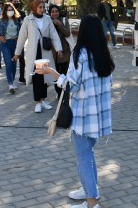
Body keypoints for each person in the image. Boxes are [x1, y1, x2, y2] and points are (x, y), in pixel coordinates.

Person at [35, 15, 114, 208]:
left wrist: (51, 73)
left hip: (84, 117)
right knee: (89, 153)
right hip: (100, 117)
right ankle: (90, 191)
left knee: (83, 158)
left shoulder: (80, 54)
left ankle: (91, 202)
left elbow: (71, 84)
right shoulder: (104, 53)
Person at [13, 0, 63, 113]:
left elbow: (54, 35)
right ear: (34, 8)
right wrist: (17, 53)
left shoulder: (48, 19)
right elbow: (22, 37)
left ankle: (43, 100)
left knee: (45, 77)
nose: (42, 9)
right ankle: (38, 102)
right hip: (33, 53)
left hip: (45, 51)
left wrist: (59, 49)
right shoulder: (28, 20)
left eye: (43, 7)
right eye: (39, 7)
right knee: (36, 78)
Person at [0, 2, 22, 94]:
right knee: (8, 63)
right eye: (8, 10)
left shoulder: (17, 20)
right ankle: (10, 83)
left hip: (15, 43)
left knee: (14, 64)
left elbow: (22, 31)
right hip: (5, 43)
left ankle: (13, 81)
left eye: (11, 9)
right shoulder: (1, 21)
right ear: (5, 11)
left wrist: (20, 38)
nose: (10, 11)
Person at [48, 4, 73, 96]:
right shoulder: (48, 21)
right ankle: (59, 92)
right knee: (56, 74)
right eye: (52, 12)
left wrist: (60, 25)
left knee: (65, 73)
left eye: (56, 11)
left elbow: (67, 34)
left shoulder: (63, 20)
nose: (55, 13)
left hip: (65, 51)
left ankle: (64, 93)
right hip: (53, 52)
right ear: (50, 13)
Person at [10, 0, 27, 83]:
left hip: (20, 39)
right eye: (14, 1)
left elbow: (25, 25)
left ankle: (22, 77)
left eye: (17, 1)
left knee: (22, 59)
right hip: (10, 39)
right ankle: (11, 77)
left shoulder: (22, 13)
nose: (16, 3)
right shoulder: (8, 12)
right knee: (12, 58)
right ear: (11, 2)